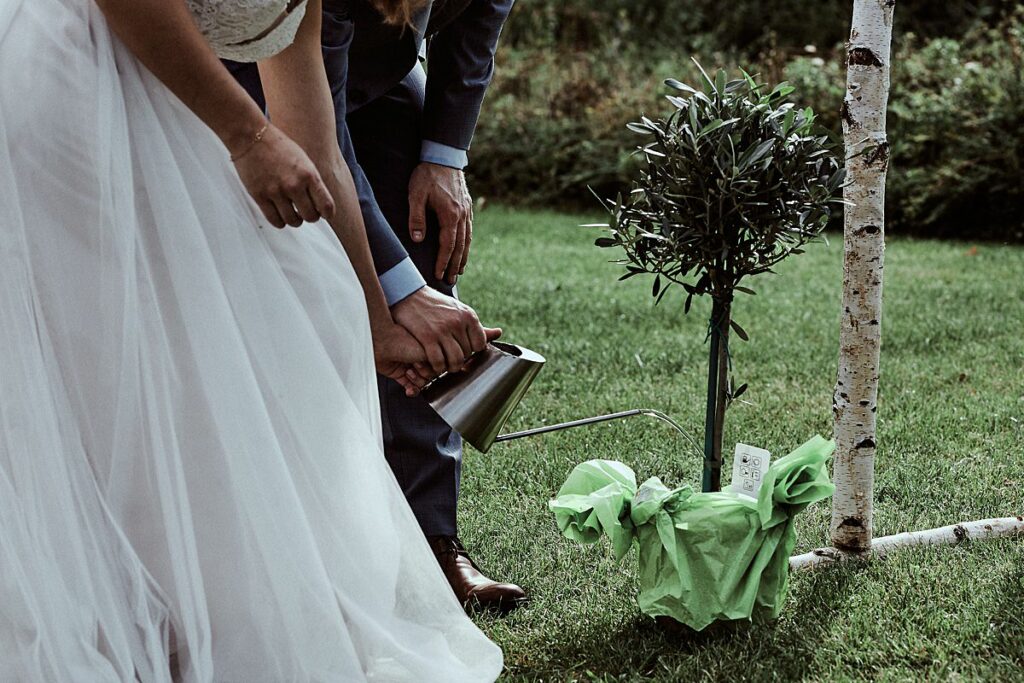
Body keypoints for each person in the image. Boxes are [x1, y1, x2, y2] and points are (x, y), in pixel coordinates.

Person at [0, 0, 502, 679]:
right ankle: (101, 611)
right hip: (73, 76)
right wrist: (246, 138)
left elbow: (317, 147)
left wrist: (375, 318)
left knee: (281, 300)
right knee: (110, 360)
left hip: (183, 102)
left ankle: (182, 615)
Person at [227, 0, 524, 613]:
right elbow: (320, 141)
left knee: (425, 237)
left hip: (383, 79)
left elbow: (474, 32)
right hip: (251, 84)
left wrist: (443, 161)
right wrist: (396, 294)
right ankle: (277, 535)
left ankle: (431, 540)